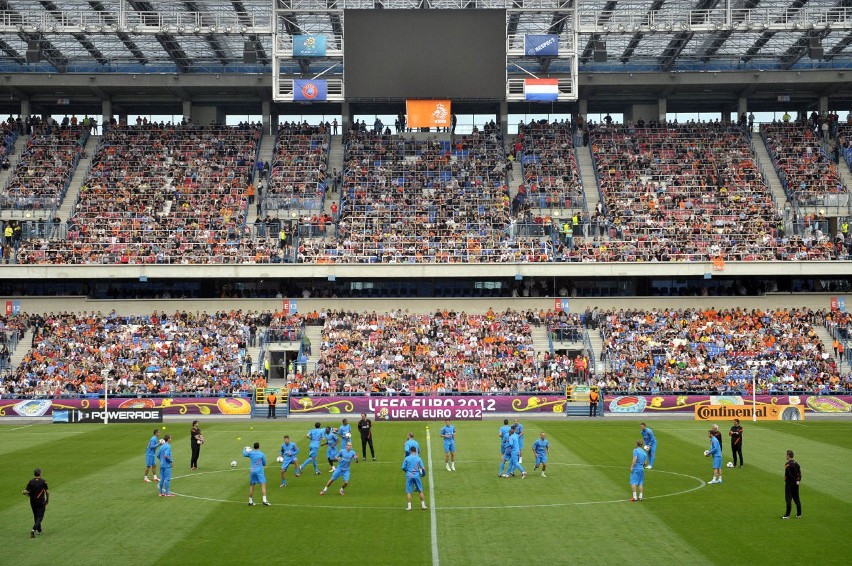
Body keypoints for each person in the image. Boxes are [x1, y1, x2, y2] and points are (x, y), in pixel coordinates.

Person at [22, 467, 49, 538]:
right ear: (40, 473)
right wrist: (47, 500)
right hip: (40, 501)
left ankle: (39, 530)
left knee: (35, 515)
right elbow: (47, 492)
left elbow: (26, 491)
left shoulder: (30, 482)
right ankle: (33, 530)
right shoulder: (43, 482)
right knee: (40, 516)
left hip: (32, 501)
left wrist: (26, 493)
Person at [402, 445, 428, 511]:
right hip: (417, 476)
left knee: (408, 492)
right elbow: (423, 468)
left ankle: (409, 507)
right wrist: (423, 474)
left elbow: (403, 467)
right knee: (420, 490)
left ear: (410, 451)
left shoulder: (407, 458)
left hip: (409, 476)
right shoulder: (419, 459)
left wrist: (407, 472)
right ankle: (423, 505)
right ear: (416, 451)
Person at [782, 450, 802, 519]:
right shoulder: (797, 464)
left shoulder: (787, 464)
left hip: (789, 484)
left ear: (788, 455)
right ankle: (799, 514)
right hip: (796, 484)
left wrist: (793, 480)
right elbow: (799, 474)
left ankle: (787, 515)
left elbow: (789, 475)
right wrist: (798, 480)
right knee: (796, 498)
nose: (786, 456)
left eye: (786, 455)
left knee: (788, 499)